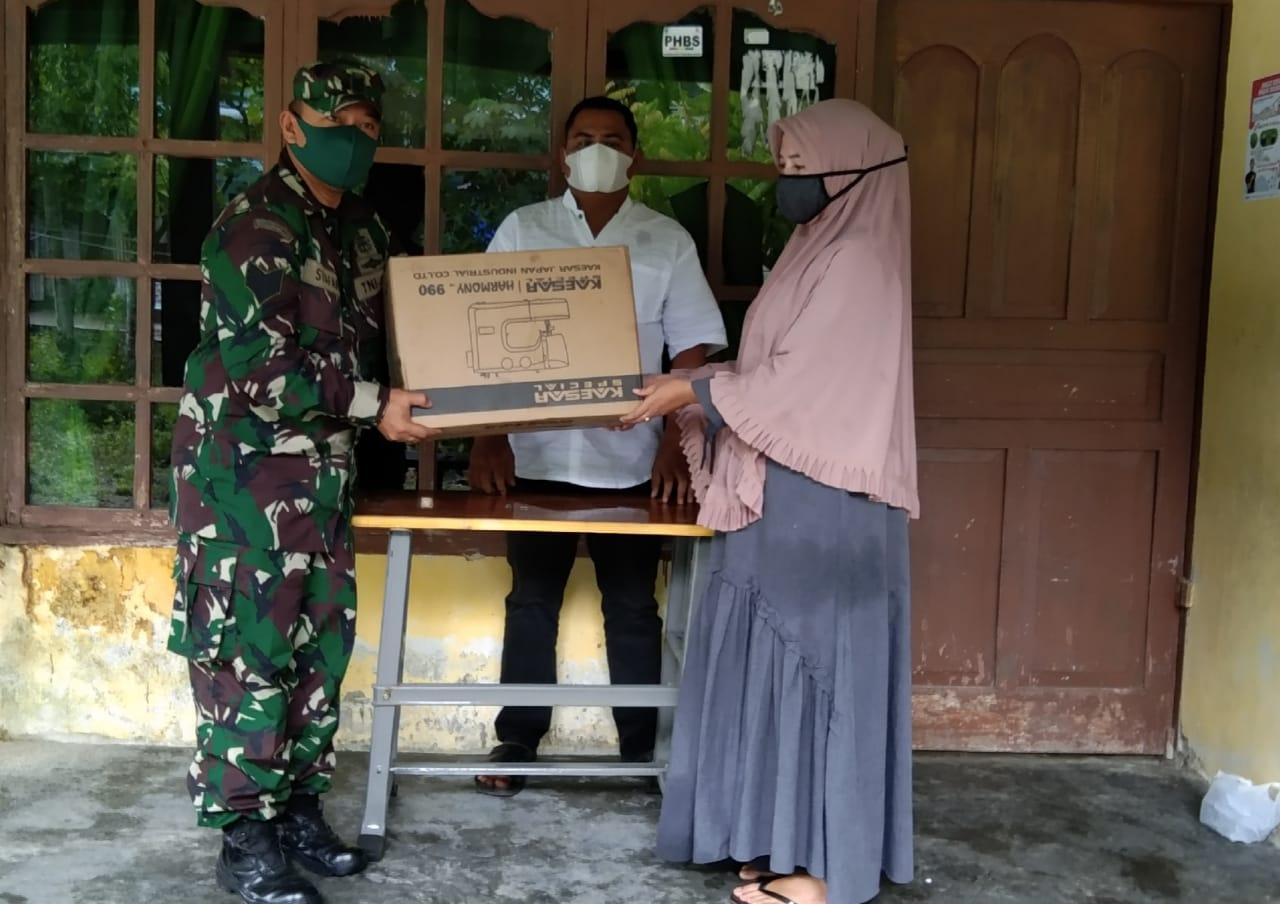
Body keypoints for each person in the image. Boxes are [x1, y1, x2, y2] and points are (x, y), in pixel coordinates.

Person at [624, 99, 918, 904]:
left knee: (816, 674)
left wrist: (692, 387)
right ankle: (779, 841)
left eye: (799, 170)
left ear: (854, 173)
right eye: (782, 169)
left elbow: (801, 386)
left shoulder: (859, 257)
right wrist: (697, 386)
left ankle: (819, 869)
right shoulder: (813, 246)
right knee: (772, 666)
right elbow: (774, 369)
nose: (785, 185)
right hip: (782, 490)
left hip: (824, 503)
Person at [166, 60, 436, 904]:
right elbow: (258, 371)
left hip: (320, 489)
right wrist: (375, 403)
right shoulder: (255, 225)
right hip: (242, 492)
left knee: (319, 655)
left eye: (365, 123)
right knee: (247, 659)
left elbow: (388, 339)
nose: (352, 137)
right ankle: (244, 836)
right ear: (290, 125)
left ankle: (295, 813)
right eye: (335, 120)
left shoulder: (360, 230)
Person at [470, 96, 728, 796]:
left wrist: (679, 439)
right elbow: (482, 338)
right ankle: (516, 744)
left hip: (633, 461)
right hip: (537, 459)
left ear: (634, 155)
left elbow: (695, 343)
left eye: (612, 139)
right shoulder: (525, 230)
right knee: (530, 602)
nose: (597, 148)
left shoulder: (666, 240)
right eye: (583, 137)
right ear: (562, 151)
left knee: (633, 607)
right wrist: (491, 439)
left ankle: (642, 754)